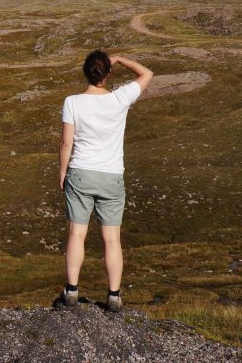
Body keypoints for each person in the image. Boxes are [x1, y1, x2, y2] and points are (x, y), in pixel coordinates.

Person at [57, 50, 152, 313]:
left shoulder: (72, 101)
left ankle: (72, 291)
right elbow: (147, 74)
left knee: (77, 233)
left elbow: (67, 142)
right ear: (107, 73)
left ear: (85, 72)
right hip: (111, 176)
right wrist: (120, 59)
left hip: (80, 173)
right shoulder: (120, 99)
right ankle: (113, 296)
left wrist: (63, 172)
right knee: (112, 239)